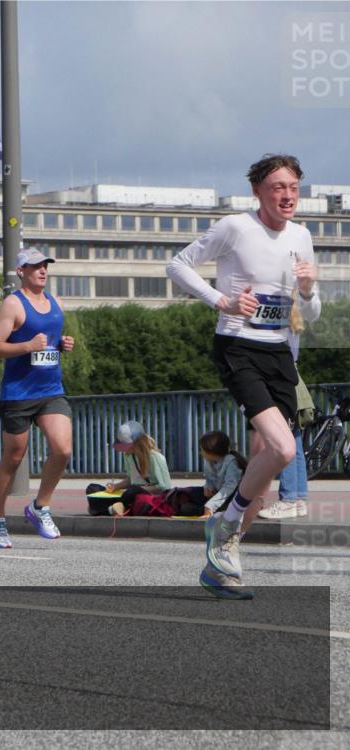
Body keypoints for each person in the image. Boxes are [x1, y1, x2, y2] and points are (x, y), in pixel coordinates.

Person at [167, 153, 321, 599]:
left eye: (293, 186)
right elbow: (177, 265)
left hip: (280, 355)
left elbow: (308, 313)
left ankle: (221, 562)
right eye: (277, 186)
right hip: (238, 346)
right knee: (283, 447)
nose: (287, 195)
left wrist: (309, 291)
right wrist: (223, 301)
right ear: (258, 192)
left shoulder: (302, 237)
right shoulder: (236, 227)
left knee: (268, 459)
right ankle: (229, 526)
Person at [0, 249, 75, 548]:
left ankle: (40, 506)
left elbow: (48, 344)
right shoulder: (13, 304)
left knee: (62, 449)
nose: (42, 270)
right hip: (18, 393)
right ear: (20, 271)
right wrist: (26, 347)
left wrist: (62, 345)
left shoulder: (56, 302)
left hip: (50, 389)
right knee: (13, 457)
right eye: (35, 266)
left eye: (45, 265)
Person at [259, 325, 311, 520]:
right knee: (294, 440)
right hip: (292, 377)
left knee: (284, 441)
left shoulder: (277, 320)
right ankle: (298, 498)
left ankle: (288, 499)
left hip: (279, 378)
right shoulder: (294, 319)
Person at [164, 431, 246, 517]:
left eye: (202, 449)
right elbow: (209, 480)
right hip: (217, 496)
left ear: (211, 450)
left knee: (190, 508)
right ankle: (206, 510)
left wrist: (210, 505)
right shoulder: (209, 461)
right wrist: (208, 487)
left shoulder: (232, 462)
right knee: (189, 494)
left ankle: (210, 511)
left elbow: (228, 488)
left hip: (231, 497)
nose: (201, 453)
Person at [104, 421, 173, 515]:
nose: (124, 449)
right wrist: (115, 486)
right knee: (92, 488)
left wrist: (141, 488)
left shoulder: (155, 457)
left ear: (138, 443)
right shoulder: (128, 456)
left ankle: (115, 508)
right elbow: (131, 479)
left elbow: (164, 486)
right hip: (132, 493)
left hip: (151, 497)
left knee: (133, 491)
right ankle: (117, 507)